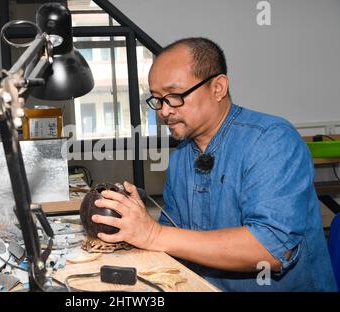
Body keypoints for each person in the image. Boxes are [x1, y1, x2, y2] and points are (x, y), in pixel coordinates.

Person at [91, 37, 338, 291]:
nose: (164, 111)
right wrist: (131, 229)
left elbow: (271, 249)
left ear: (218, 88)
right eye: (157, 99)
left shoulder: (271, 140)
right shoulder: (181, 156)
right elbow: (172, 236)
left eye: (175, 96)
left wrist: (152, 234)